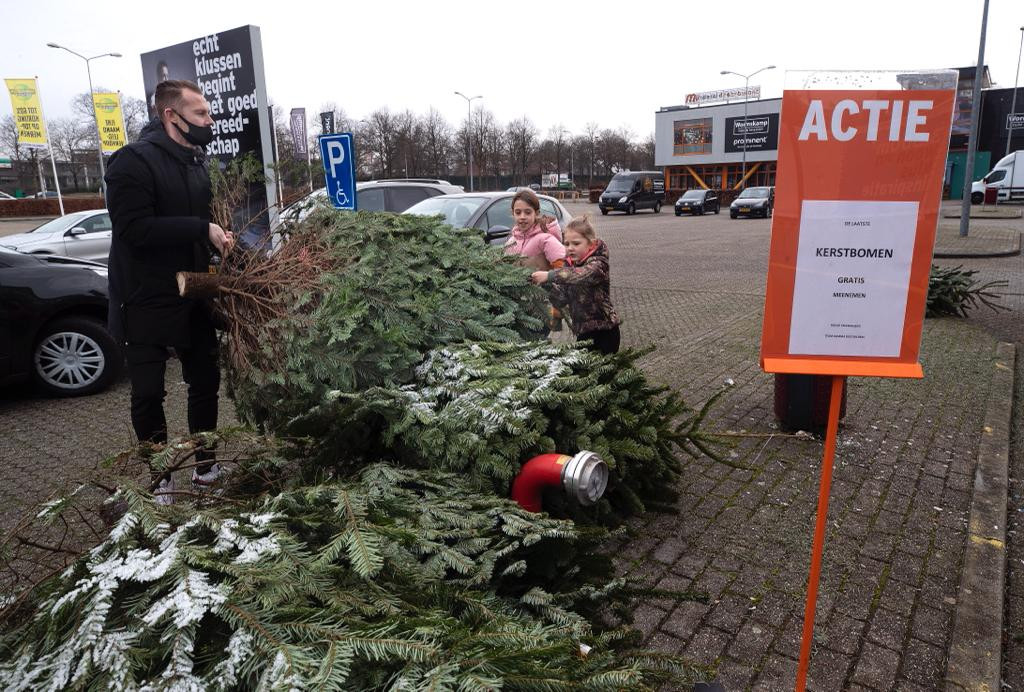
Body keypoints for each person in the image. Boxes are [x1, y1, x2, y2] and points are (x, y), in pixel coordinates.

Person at [105, 79, 235, 503]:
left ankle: (206, 465)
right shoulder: (131, 162)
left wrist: (220, 242)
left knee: (204, 382)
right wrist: (201, 228)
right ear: (170, 116)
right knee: (147, 393)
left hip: (193, 292)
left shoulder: (195, 163)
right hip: (143, 298)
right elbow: (133, 229)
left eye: (208, 113)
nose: (209, 121)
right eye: (201, 114)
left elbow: (203, 222)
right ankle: (162, 477)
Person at [531, 214, 621, 355]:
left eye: (576, 243)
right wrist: (545, 285)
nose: (570, 248)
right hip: (583, 332)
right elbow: (560, 298)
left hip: (605, 331)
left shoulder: (598, 264)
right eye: (567, 244)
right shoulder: (568, 266)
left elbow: (582, 274)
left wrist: (549, 275)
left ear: (591, 244)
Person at [503, 189, 565, 271]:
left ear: (536, 213)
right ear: (513, 213)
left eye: (528, 212)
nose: (522, 217)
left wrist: (548, 277)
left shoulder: (545, 239)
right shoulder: (511, 242)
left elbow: (563, 268)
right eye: (518, 212)